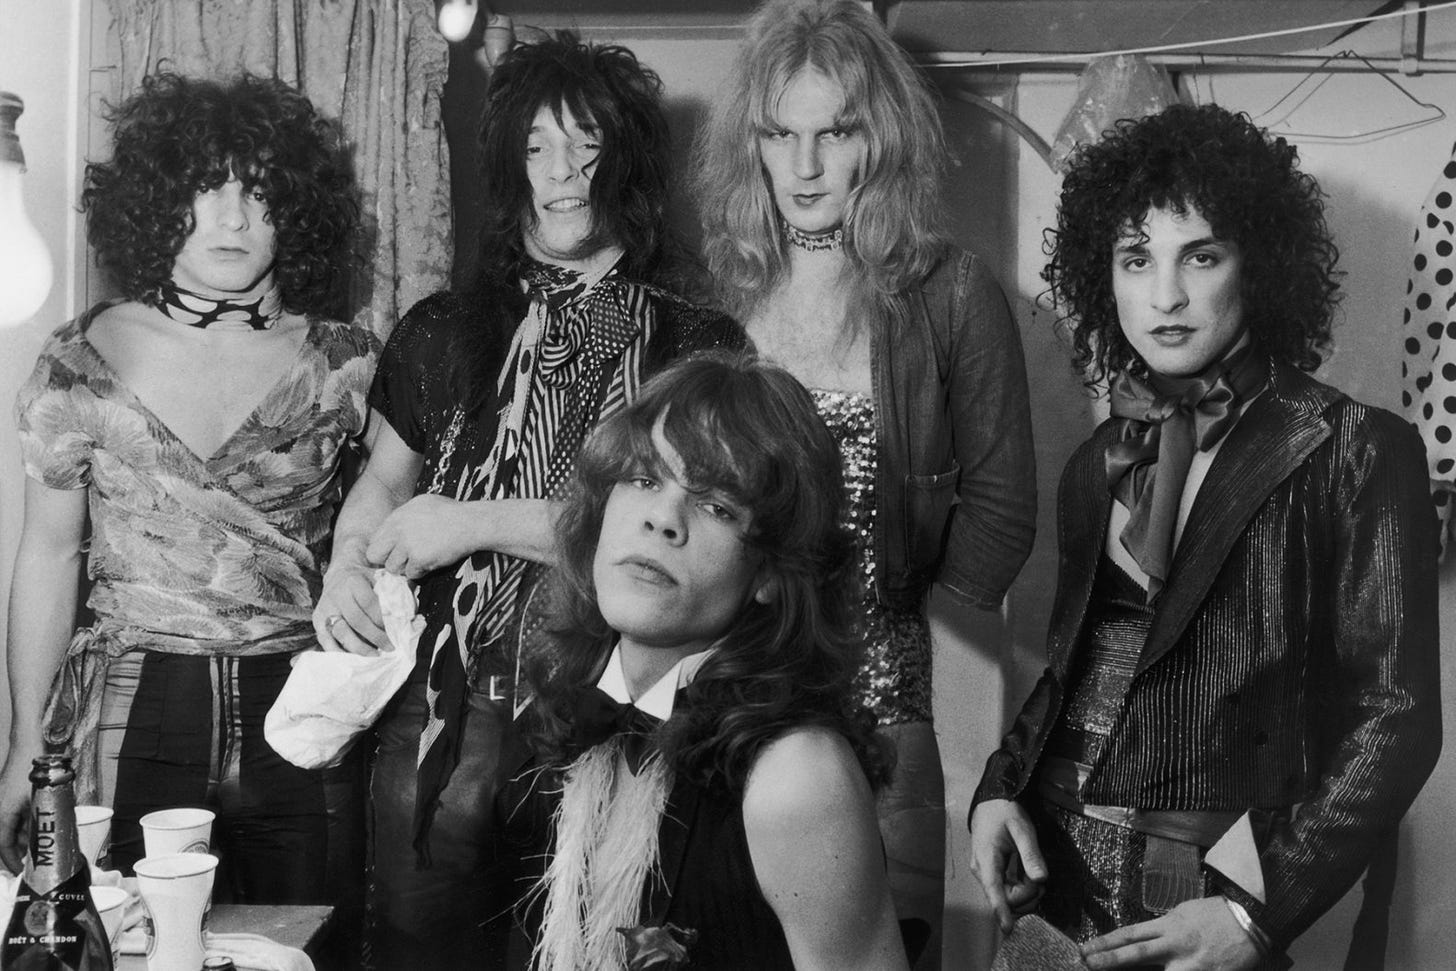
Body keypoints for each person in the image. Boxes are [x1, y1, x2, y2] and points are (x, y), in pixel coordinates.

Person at [969, 103, 1442, 970]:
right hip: (1048, 877)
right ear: (1100, 274)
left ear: (1256, 263)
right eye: (1136, 258)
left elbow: (1396, 719)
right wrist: (997, 792)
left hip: (1199, 893)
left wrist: (1258, 914)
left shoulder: (1356, 449)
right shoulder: (1097, 460)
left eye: (1202, 255)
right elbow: (1073, 669)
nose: (1166, 296)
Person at [313, 33, 743, 970]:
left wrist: (466, 520)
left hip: (616, 716)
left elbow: (675, 541)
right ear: (512, 161)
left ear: (624, 163)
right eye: (539, 147)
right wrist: (348, 561)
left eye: (587, 148)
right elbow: (384, 482)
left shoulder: (696, 347)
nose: (564, 175)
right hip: (442, 716)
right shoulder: (444, 324)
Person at [693, 1, 1037, 963]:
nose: (805, 167)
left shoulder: (950, 292)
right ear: (751, 146)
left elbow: (1002, 513)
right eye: (780, 134)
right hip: (729, 707)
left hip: (888, 713)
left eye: (834, 132)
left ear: (877, 140)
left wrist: (902, 624)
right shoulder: (714, 301)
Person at [0, 72, 372, 915]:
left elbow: (395, 522)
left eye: (259, 191)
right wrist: (26, 745)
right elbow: (49, 556)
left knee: (307, 941)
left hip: (302, 710)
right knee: (126, 941)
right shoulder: (77, 359)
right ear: (160, 197)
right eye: (207, 187)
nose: (233, 217)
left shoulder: (348, 361)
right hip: (133, 704)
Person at [509, 351, 907, 971]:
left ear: (771, 575)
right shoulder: (573, 707)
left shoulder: (797, 776)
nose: (662, 519)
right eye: (644, 478)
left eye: (717, 506)